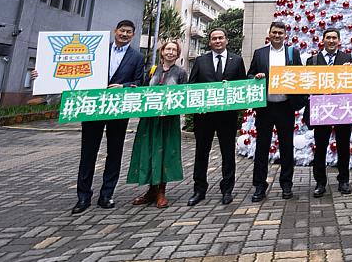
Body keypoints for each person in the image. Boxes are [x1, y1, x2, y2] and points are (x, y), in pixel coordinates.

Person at [72, 20, 145, 214]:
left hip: (118, 109)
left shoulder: (137, 57)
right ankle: (83, 197)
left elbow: (139, 81)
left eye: (129, 32)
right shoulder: (97, 50)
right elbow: (77, 69)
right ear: (115, 31)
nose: (125, 34)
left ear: (133, 35)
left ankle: (106, 194)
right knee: (88, 152)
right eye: (122, 31)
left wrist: (124, 86)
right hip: (93, 107)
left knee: (115, 152)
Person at [186, 28, 247, 206]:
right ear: (210, 42)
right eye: (214, 38)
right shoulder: (200, 61)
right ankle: (199, 190)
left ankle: (227, 189)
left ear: (226, 40)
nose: (218, 41)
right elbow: (192, 86)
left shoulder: (236, 60)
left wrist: (231, 88)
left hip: (226, 116)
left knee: (228, 153)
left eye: (221, 38)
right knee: (201, 153)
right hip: (204, 116)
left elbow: (242, 86)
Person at [248, 21, 304, 202]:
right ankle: (259, 186)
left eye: (281, 33)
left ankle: (286, 185)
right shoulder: (260, 53)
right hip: (265, 107)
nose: (277, 35)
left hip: (285, 107)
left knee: (287, 147)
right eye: (274, 32)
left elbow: (300, 76)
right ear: (269, 34)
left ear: (285, 35)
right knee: (262, 148)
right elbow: (249, 74)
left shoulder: (292, 53)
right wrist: (255, 77)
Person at [126, 39, 186, 208]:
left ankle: (161, 191)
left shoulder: (180, 73)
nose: (171, 52)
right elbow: (143, 90)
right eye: (168, 49)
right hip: (150, 120)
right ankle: (151, 189)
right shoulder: (152, 70)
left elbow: (184, 96)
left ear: (177, 54)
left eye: (174, 50)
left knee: (166, 152)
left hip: (168, 121)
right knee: (149, 151)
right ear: (162, 52)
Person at [305, 28, 352, 197]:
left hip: (342, 108)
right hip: (321, 109)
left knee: (343, 146)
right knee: (320, 147)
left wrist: (351, 71)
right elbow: (306, 84)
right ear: (323, 40)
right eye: (328, 38)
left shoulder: (347, 59)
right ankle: (320, 182)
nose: (331, 41)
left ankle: (344, 181)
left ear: (339, 40)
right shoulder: (312, 61)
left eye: (334, 38)